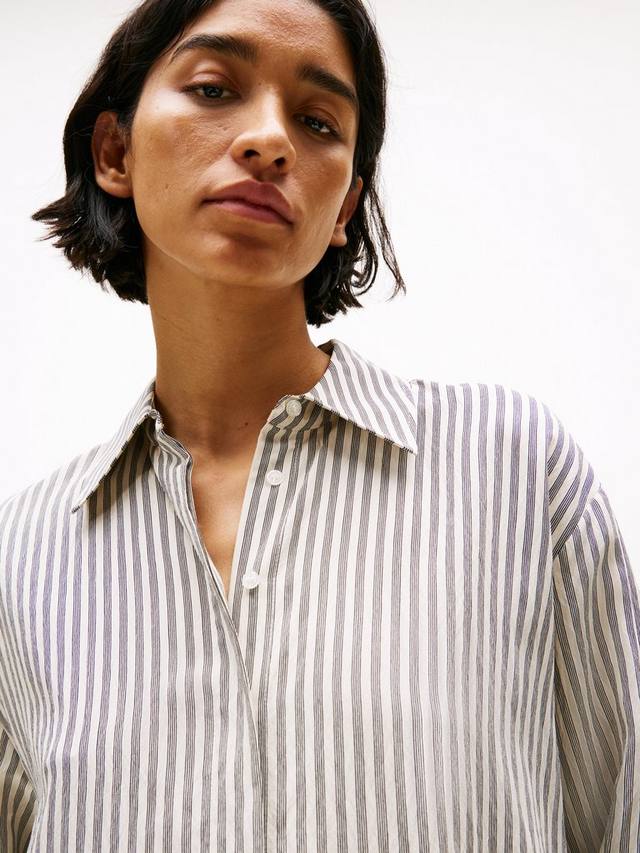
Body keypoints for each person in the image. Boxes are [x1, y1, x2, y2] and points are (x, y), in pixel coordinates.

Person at [1, 0, 638, 850]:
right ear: (114, 151)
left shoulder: (515, 472)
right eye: (214, 88)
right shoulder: (24, 558)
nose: (270, 140)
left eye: (317, 122)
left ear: (344, 209)